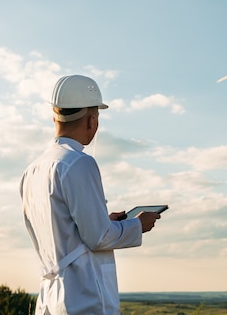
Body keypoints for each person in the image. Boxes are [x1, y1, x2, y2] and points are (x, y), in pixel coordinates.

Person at [20, 75, 161, 315]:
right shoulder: (78, 163)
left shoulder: (32, 170)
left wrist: (105, 219)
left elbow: (63, 230)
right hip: (82, 296)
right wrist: (137, 225)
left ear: (54, 116)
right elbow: (98, 237)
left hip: (51, 296)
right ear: (91, 120)